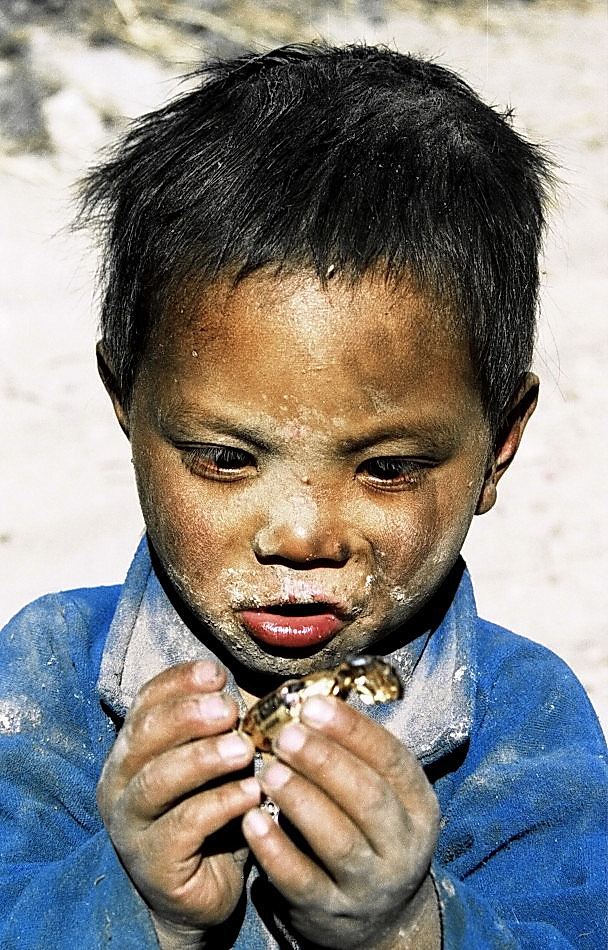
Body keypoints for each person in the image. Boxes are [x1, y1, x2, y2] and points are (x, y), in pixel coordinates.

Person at [0, 43, 605, 950]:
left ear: (499, 446)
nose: (301, 536)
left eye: (388, 469)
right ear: (126, 401)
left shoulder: (524, 724)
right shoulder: (46, 680)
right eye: (225, 459)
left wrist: (409, 928)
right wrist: (134, 906)